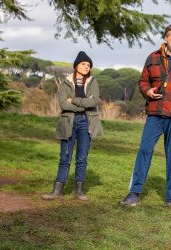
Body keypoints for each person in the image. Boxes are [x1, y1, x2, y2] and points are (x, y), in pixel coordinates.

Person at [120, 23, 171, 208]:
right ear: (166, 37)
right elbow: (143, 81)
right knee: (144, 151)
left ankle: (170, 198)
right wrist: (148, 91)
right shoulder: (153, 58)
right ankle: (134, 193)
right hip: (155, 113)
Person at [42, 51, 103, 201]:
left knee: (82, 157)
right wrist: (83, 105)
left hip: (86, 123)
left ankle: (79, 191)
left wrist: (74, 100)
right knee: (65, 156)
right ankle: (57, 191)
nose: (86, 67)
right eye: (83, 64)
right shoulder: (66, 82)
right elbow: (63, 104)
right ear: (76, 65)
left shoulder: (93, 82)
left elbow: (94, 101)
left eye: (89, 65)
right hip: (68, 122)